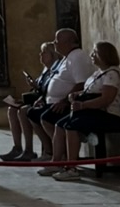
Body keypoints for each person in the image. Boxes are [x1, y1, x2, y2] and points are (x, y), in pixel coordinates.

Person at [45, 42, 120, 179]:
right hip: (94, 112)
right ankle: (56, 163)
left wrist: (82, 105)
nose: (91, 55)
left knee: (71, 126)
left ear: (104, 55)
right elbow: (91, 90)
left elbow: (106, 99)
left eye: (95, 52)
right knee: (60, 124)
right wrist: (77, 94)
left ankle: (72, 168)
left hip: (107, 115)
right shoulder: (99, 73)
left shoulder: (112, 74)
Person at [32, 28, 95, 168]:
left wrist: (65, 101)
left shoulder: (77, 56)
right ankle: (59, 155)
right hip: (58, 101)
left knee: (48, 118)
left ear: (67, 42)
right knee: (39, 115)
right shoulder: (67, 57)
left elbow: (81, 83)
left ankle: (61, 157)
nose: (54, 43)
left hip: (71, 104)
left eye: (57, 40)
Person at [2, 43, 59, 162]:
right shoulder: (45, 70)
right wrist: (33, 84)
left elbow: (49, 90)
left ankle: (29, 150)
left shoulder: (56, 70)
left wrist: (37, 88)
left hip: (45, 102)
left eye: (44, 52)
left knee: (23, 111)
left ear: (52, 55)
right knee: (12, 110)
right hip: (38, 100)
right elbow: (39, 87)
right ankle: (17, 147)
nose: (40, 55)